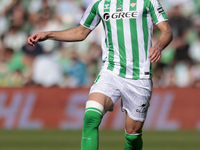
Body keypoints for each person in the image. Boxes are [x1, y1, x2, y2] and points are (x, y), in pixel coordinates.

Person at [28, 0, 173, 149]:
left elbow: (167, 31)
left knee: (132, 134)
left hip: (139, 76)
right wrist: (48, 35)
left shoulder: (148, 2)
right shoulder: (100, 4)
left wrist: (158, 47)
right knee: (91, 116)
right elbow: (80, 32)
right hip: (111, 71)